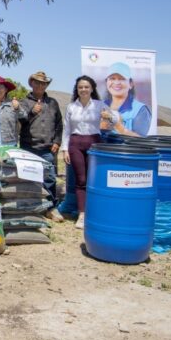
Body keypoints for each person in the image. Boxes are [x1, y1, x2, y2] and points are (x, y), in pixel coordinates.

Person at [61, 75, 116, 229]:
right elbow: (67, 130)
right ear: (77, 89)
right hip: (75, 144)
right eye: (80, 87)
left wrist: (108, 117)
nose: (83, 89)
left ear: (92, 89)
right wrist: (65, 149)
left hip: (94, 143)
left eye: (86, 87)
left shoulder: (100, 105)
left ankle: (95, 212)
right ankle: (82, 214)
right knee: (81, 180)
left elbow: (114, 122)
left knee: (94, 179)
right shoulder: (71, 107)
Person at [19, 71, 64, 222]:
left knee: (49, 178)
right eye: (37, 82)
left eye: (43, 83)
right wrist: (32, 112)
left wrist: (57, 141)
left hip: (47, 148)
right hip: (28, 147)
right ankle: (31, 207)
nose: (40, 85)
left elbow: (59, 124)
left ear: (46, 85)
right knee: (28, 179)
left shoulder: (53, 103)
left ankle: (50, 208)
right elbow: (20, 121)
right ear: (31, 83)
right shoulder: (24, 102)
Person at [103, 62, 152, 137]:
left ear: (130, 84)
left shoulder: (140, 110)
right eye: (112, 78)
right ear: (106, 82)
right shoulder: (98, 107)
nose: (116, 82)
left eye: (122, 79)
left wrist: (121, 129)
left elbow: (141, 141)